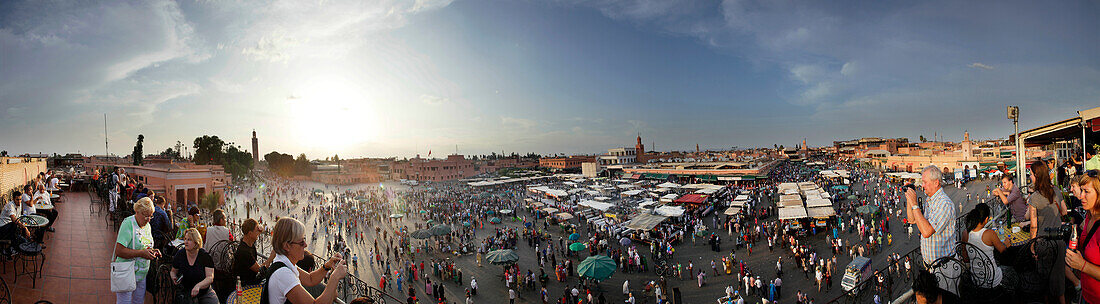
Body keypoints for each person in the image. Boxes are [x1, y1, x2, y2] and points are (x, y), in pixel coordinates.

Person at [264, 217, 348, 304]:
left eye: (304, 239)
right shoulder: (283, 274)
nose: (305, 245)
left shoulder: (284, 262)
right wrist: (335, 277)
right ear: (287, 246)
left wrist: (326, 266)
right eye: (301, 242)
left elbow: (310, 279)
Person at [1026, 160, 1067, 303]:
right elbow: (1064, 211)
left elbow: (1033, 226)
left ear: (1036, 176)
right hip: (1059, 241)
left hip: (1044, 243)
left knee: (1044, 280)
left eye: (1030, 174)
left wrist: (1032, 246)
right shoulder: (1056, 190)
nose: (1029, 176)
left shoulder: (1034, 197)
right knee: (1059, 277)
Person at [907, 165, 957, 266]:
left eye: (925, 182)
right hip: (931, 265)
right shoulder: (929, 200)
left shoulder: (944, 204)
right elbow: (912, 220)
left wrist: (915, 204)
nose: (923, 185)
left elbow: (926, 232)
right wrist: (909, 199)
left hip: (944, 267)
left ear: (936, 183)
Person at [115, 197, 162, 304]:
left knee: (139, 301)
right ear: (137, 212)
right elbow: (119, 251)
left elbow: (144, 246)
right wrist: (141, 253)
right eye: (146, 216)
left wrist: (152, 251)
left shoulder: (147, 226)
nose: (149, 219)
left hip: (141, 274)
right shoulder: (128, 224)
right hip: (126, 272)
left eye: (150, 216)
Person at [960, 204, 1013, 288]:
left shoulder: (965, 234)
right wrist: (1006, 243)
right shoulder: (989, 233)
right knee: (1011, 271)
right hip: (992, 280)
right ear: (986, 219)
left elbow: (965, 257)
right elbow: (1002, 250)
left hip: (976, 279)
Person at [1066, 172, 1100, 303]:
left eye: (1086, 191)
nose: (1081, 196)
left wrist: (1082, 265)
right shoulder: (1088, 216)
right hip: (1086, 294)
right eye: (1081, 191)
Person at [171, 228, 218, 304]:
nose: (185, 242)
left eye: (189, 240)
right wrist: (173, 276)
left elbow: (210, 277)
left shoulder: (204, 256)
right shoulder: (180, 254)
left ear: (196, 242)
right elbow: (173, 271)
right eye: (185, 239)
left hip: (204, 292)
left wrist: (198, 286)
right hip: (185, 291)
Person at [234, 218, 273, 286]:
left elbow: (260, 229)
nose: (259, 233)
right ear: (250, 233)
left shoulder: (248, 243)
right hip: (246, 283)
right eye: (256, 230)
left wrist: (259, 229)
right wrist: (271, 257)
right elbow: (260, 270)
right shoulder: (244, 251)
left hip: (249, 278)